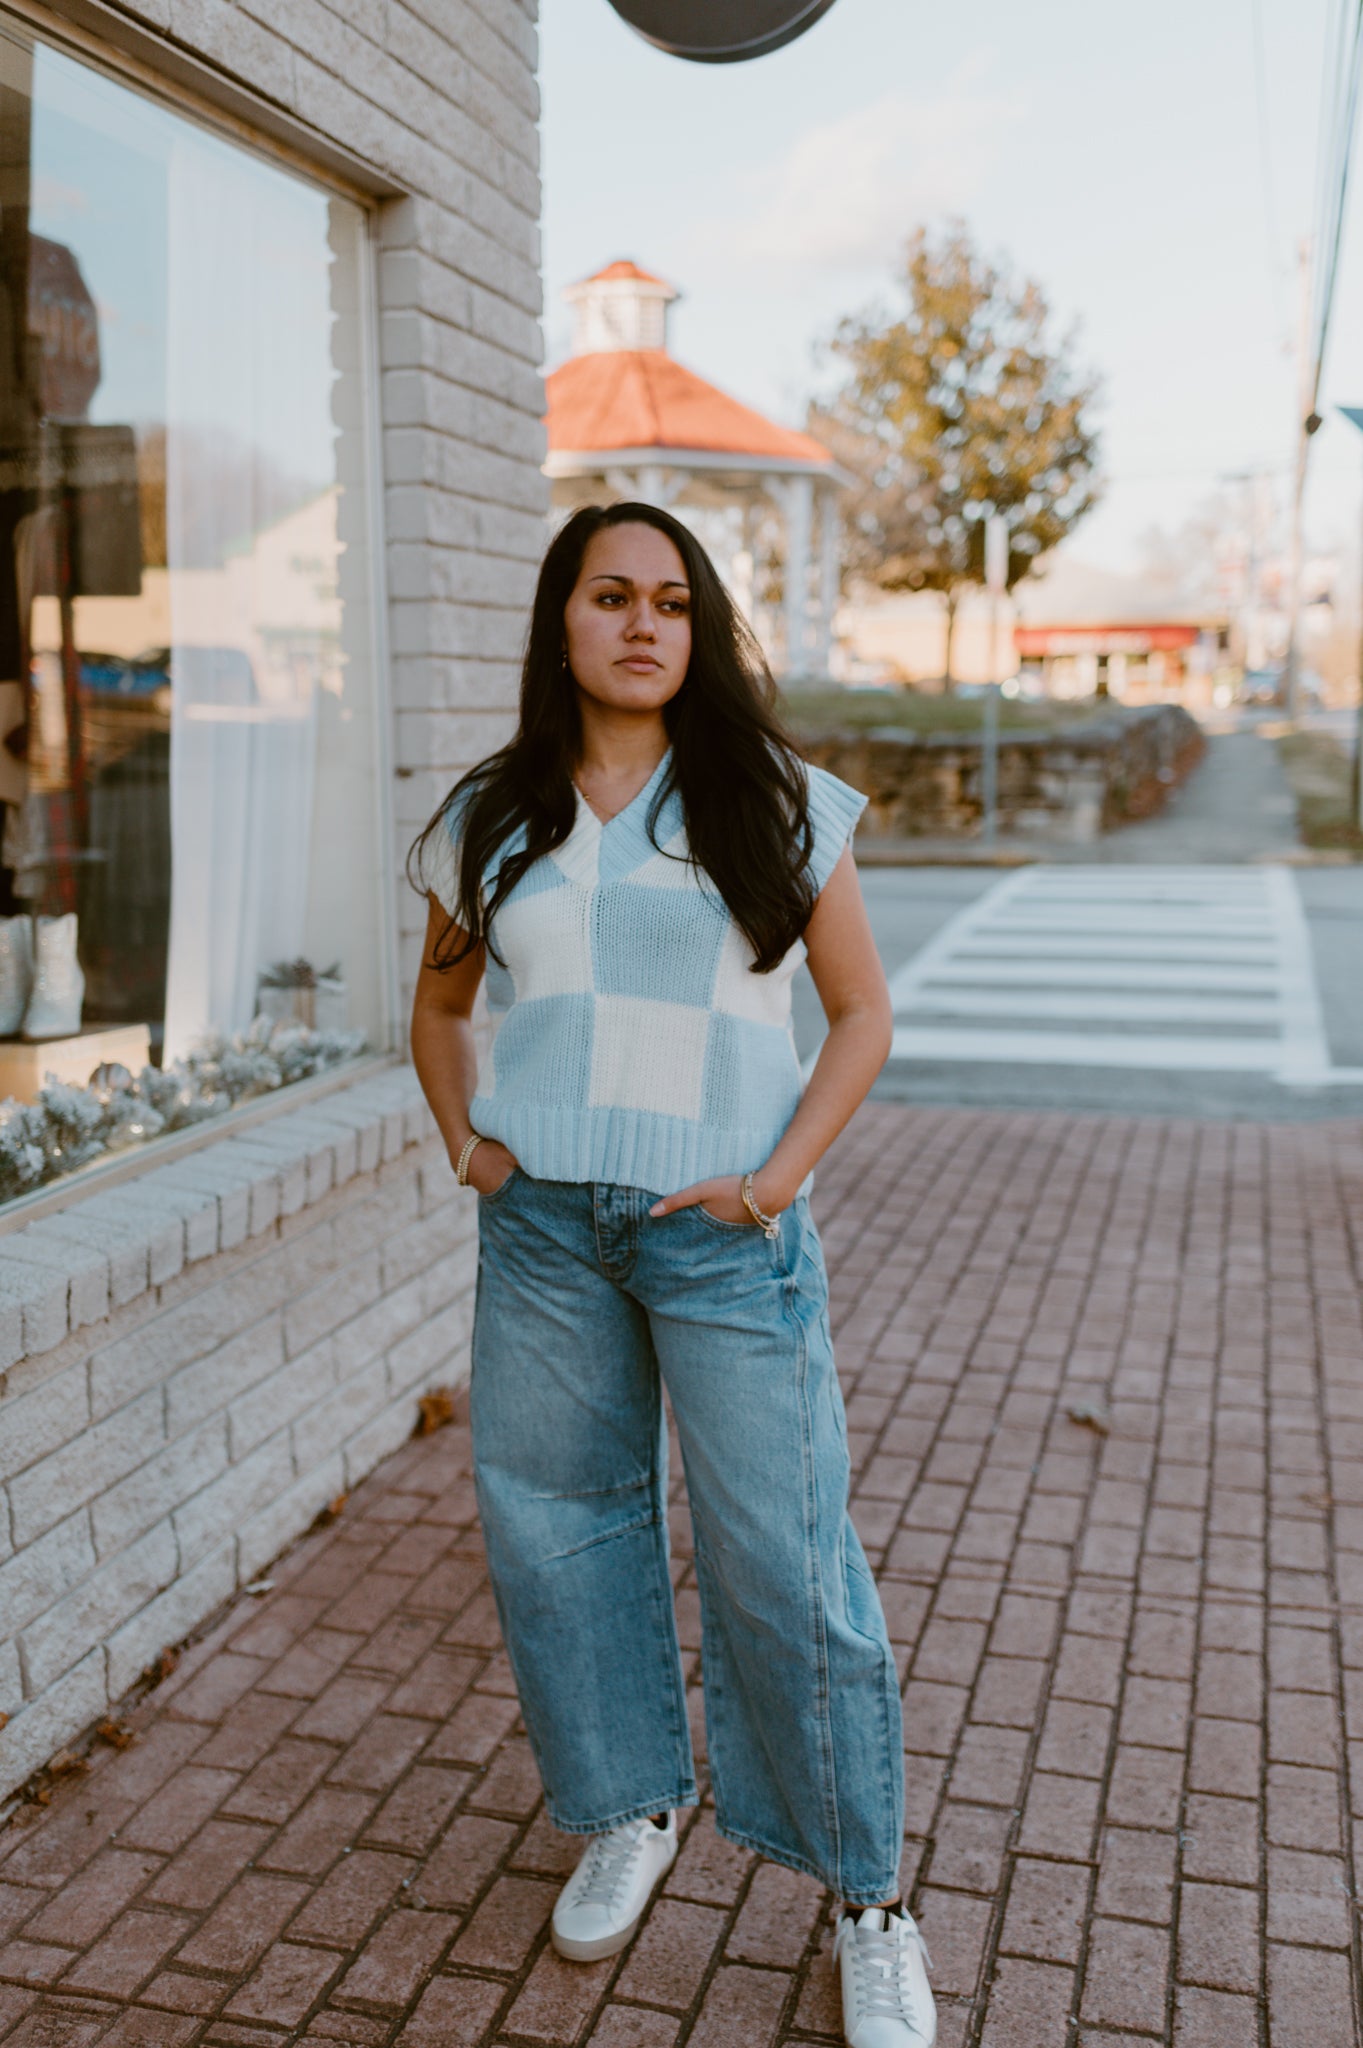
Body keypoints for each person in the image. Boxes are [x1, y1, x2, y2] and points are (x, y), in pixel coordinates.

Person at [409, 503, 935, 2048]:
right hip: (547, 1229)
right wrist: (469, 1146)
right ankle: (632, 1807)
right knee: (558, 1533)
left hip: (723, 1234)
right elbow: (437, 1014)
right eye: (610, 597)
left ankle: (870, 1899)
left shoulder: (770, 799)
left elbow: (860, 1017)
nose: (644, 625)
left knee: (784, 1559)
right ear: (559, 623)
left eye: (672, 603)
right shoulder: (492, 814)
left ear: (698, 632)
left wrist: (774, 1183)